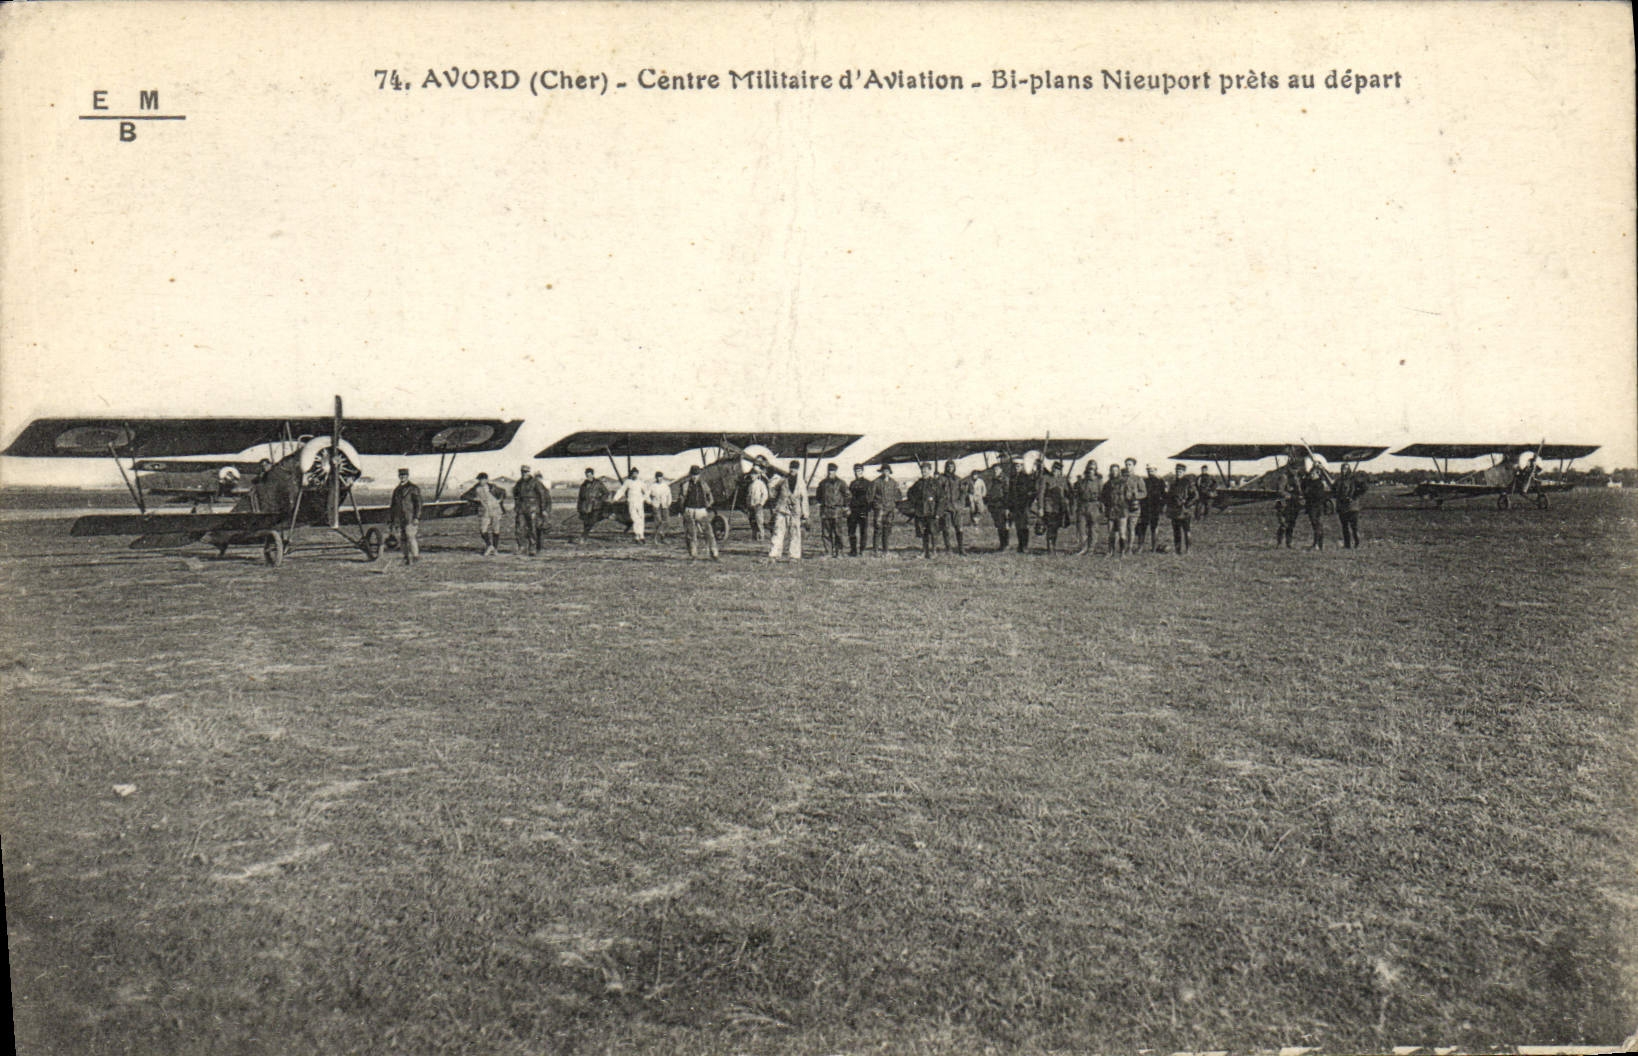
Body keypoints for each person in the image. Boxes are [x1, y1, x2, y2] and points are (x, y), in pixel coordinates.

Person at [767, 460, 808, 560]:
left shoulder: (801, 483)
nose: (792, 470)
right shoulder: (782, 480)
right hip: (782, 509)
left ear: (798, 469)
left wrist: (805, 513)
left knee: (795, 532)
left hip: (795, 511)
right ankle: (774, 554)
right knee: (778, 531)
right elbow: (773, 491)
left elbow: (804, 498)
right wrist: (771, 488)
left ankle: (794, 555)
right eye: (791, 468)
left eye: (795, 468)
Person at [462, 472, 508, 556]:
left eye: (482, 479)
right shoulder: (476, 488)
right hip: (484, 511)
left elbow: (503, 492)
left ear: (486, 480)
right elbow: (464, 496)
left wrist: (499, 500)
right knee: (483, 530)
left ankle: (495, 549)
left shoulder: (492, 487)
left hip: (495, 510)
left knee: (496, 529)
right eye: (479, 479)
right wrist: (475, 500)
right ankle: (489, 545)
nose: (480, 481)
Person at [680, 465, 719, 560]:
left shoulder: (703, 484)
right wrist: (682, 510)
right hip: (689, 510)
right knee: (691, 533)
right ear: (690, 475)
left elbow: (710, 496)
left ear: (699, 475)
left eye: (696, 474)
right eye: (693, 474)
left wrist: (708, 505)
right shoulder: (685, 485)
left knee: (708, 532)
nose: (694, 476)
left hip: (701, 510)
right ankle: (693, 554)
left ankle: (714, 552)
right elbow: (681, 499)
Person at [906, 462, 940, 558]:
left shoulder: (935, 483)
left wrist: (938, 512)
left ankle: (934, 551)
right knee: (923, 532)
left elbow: (941, 498)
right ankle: (924, 551)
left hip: (932, 511)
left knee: (933, 532)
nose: (924, 472)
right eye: (922, 470)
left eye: (926, 470)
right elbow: (910, 493)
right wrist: (915, 502)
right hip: (921, 511)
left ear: (930, 471)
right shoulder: (918, 483)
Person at [388, 468, 422, 565]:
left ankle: (415, 557)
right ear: (399, 477)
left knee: (410, 536)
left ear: (407, 476)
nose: (402, 477)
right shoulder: (397, 490)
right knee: (402, 539)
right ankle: (406, 557)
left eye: (404, 476)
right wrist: (392, 520)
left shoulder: (413, 488)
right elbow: (393, 506)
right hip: (400, 518)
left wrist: (416, 517)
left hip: (410, 517)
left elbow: (418, 504)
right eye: (401, 476)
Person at [815, 463, 849, 557]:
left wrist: (845, 506)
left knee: (838, 532)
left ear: (835, 471)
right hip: (825, 511)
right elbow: (818, 496)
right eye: (829, 470)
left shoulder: (841, 483)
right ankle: (828, 552)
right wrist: (821, 502)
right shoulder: (822, 483)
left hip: (837, 511)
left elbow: (847, 495)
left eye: (833, 470)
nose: (831, 472)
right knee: (826, 533)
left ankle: (839, 552)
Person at [1333, 464, 1369, 549]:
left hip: (1352, 507)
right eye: (1342, 468)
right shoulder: (1339, 480)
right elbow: (1334, 489)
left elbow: (1364, 488)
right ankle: (1347, 544)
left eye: (1345, 469)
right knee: (1344, 527)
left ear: (1349, 469)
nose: (1343, 470)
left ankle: (1357, 543)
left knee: (1354, 527)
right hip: (1342, 506)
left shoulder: (1353, 480)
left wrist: (1354, 496)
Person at [513, 464, 544, 556]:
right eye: (522, 472)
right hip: (521, 508)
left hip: (532, 507)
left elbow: (542, 495)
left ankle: (532, 547)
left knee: (532, 528)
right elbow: (516, 495)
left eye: (526, 472)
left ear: (529, 472)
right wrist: (516, 506)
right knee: (519, 528)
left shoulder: (535, 482)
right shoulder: (519, 483)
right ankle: (521, 546)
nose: (524, 473)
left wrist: (542, 509)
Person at [1006, 458, 1037, 553]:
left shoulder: (1026, 477)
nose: (1017, 468)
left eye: (1018, 466)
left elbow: (1033, 491)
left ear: (1022, 466)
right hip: (1015, 506)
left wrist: (1028, 502)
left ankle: (1025, 546)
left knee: (1024, 526)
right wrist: (1010, 506)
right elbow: (1010, 493)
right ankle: (1020, 545)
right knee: (1018, 526)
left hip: (1024, 505)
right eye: (1015, 466)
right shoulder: (1012, 478)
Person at [935, 460, 966, 554]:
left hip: (956, 507)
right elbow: (937, 492)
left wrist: (961, 503)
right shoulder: (941, 479)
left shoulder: (958, 479)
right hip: (946, 508)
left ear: (954, 468)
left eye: (952, 467)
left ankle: (961, 548)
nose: (950, 468)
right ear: (945, 468)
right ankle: (948, 548)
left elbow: (963, 493)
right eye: (948, 467)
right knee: (946, 528)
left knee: (959, 528)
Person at [1166, 463, 1197, 555]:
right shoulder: (1173, 483)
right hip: (1175, 511)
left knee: (1186, 530)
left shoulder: (1188, 483)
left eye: (1180, 471)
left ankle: (1188, 550)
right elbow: (1170, 496)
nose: (1178, 473)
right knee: (1176, 531)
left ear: (1184, 472)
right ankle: (1178, 550)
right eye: (1177, 471)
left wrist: (1187, 504)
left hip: (1185, 511)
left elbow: (1195, 496)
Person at [1117, 459, 1147, 554]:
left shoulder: (1138, 479)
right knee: (1122, 529)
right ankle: (1122, 548)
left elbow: (1144, 493)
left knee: (1131, 529)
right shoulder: (1121, 479)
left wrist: (1135, 496)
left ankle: (1129, 548)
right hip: (1123, 507)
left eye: (1130, 464)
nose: (1127, 466)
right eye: (1126, 464)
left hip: (1134, 507)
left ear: (1134, 466)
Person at [612, 467, 647, 544]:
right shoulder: (628, 482)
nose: (634, 475)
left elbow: (646, 492)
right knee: (635, 519)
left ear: (638, 474)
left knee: (641, 518)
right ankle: (637, 535)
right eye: (633, 474)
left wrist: (644, 499)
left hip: (639, 503)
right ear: (631, 474)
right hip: (632, 502)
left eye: (636, 473)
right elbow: (622, 490)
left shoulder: (641, 482)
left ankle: (641, 535)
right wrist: (615, 498)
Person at [870, 463, 900, 554]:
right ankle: (875, 550)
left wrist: (894, 506)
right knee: (878, 529)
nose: (885, 473)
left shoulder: (893, 483)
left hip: (889, 510)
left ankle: (885, 550)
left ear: (889, 472)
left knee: (887, 530)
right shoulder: (876, 482)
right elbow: (870, 497)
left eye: (887, 471)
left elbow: (898, 496)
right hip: (879, 509)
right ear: (881, 472)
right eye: (884, 471)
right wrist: (876, 506)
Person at [1073, 461, 1101, 554]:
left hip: (1094, 506)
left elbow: (1102, 495)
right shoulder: (1081, 482)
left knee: (1093, 528)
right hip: (1082, 506)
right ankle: (1083, 547)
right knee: (1081, 528)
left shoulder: (1099, 482)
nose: (1090, 471)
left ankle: (1091, 549)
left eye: (1092, 469)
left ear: (1095, 470)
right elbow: (1076, 494)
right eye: (1089, 469)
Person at [1136, 465, 1165, 551]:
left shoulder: (1160, 482)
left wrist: (1161, 507)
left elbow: (1164, 496)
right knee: (1142, 527)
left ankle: (1154, 547)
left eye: (1152, 470)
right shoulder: (1144, 481)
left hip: (1155, 507)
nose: (1150, 472)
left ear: (1156, 470)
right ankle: (1140, 547)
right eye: (1148, 470)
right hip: (1145, 507)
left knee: (1154, 527)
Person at [846, 463, 873, 556]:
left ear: (862, 471)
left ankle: (862, 550)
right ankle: (853, 550)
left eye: (859, 471)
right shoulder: (852, 484)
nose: (858, 473)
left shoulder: (868, 483)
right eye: (856, 471)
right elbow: (849, 497)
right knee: (851, 531)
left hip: (863, 510)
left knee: (863, 531)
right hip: (853, 510)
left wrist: (867, 509)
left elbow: (870, 498)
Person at [576, 468, 608, 544]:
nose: (588, 477)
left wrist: (599, 500)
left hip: (596, 506)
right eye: (587, 475)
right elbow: (580, 497)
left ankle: (583, 536)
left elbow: (606, 493)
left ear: (593, 475)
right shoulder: (583, 485)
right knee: (586, 522)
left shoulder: (598, 483)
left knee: (591, 521)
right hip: (585, 507)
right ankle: (585, 537)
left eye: (590, 475)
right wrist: (579, 507)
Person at [1302, 466, 1331, 550]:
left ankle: (1317, 544)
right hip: (1314, 506)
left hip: (1316, 506)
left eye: (1314, 473)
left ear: (1318, 474)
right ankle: (1319, 544)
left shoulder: (1318, 484)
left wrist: (1308, 495)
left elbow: (1317, 495)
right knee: (1317, 525)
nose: (1312, 475)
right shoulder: (1311, 482)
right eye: (1311, 473)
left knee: (1317, 525)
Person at [1101, 465, 1124, 555]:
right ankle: (1111, 551)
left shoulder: (1123, 482)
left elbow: (1128, 495)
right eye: (1112, 470)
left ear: (1119, 471)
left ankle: (1122, 552)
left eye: (1116, 470)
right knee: (1110, 532)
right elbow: (1103, 497)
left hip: (1122, 510)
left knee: (1122, 532)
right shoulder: (1107, 484)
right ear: (1110, 471)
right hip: (1111, 510)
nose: (1114, 472)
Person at [648, 470, 673, 544]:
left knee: (666, 522)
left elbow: (669, 495)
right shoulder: (652, 486)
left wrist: (669, 502)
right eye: (658, 478)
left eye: (661, 477)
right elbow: (646, 495)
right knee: (658, 522)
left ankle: (662, 537)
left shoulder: (665, 486)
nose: (659, 479)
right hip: (656, 505)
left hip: (664, 505)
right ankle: (657, 539)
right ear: (656, 478)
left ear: (663, 478)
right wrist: (650, 502)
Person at [746, 467, 770, 542]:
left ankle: (761, 536)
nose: (752, 476)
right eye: (751, 475)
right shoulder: (750, 485)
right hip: (751, 505)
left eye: (754, 475)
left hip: (758, 505)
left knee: (759, 521)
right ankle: (754, 536)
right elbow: (749, 495)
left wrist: (761, 503)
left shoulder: (760, 483)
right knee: (752, 521)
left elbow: (765, 494)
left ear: (757, 475)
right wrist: (748, 504)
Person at [531, 470, 553, 551]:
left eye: (538, 478)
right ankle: (538, 546)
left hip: (541, 511)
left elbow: (548, 501)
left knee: (540, 529)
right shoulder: (537, 488)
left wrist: (546, 511)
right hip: (538, 510)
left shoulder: (544, 489)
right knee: (538, 529)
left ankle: (539, 546)